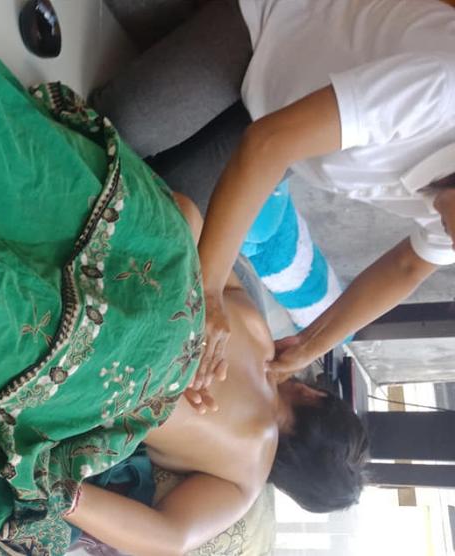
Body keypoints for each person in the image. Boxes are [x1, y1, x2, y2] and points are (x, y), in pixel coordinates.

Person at [91, 0, 455, 389]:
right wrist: (207, 291)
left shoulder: (448, 223)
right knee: (118, 127)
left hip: (287, 129)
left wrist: (310, 345)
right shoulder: (441, 95)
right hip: (275, 33)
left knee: (161, 209)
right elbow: (267, 145)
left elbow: (408, 269)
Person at [63, 193, 369, 556]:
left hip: (103, 257)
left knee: (184, 217)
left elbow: (197, 233)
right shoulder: (246, 475)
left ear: (314, 395)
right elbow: (169, 539)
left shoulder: (257, 334)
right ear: (287, 480)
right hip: (74, 371)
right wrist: (64, 495)